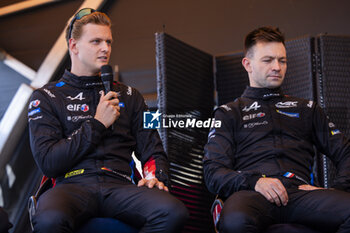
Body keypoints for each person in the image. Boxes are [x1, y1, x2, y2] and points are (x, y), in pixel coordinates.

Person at [28, 8, 188, 233]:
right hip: (72, 186)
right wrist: (97, 124)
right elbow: (48, 162)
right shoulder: (45, 97)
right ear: (73, 46)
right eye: (96, 41)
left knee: (174, 212)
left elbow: (155, 150)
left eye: (108, 42)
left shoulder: (133, 94)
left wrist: (156, 176)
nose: (105, 48)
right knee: (48, 220)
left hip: (120, 185)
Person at [203, 26, 350, 233]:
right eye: (268, 60)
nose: (277, 67)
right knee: (234, 221)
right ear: (248, 64)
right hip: (252, 195)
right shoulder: (228, 113)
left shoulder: (306, 109)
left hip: (299, 194)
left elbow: (346, 153)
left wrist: (337, 190)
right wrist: (255, 182)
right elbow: (213, 172)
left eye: (282, 60)